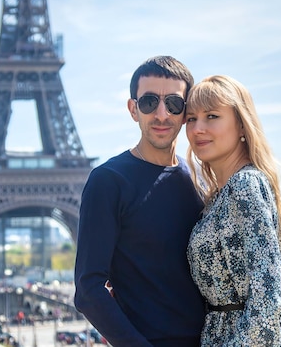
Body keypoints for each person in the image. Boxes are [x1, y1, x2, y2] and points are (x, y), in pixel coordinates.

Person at [74, 55, 206, 347]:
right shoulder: (108, 181)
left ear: (186, 112)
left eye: (173, 103)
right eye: (149, 102)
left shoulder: (202, 180)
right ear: (133, 109)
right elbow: (88, 288)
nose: (161, 114)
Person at [185, 75, 281, 346]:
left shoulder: (245, 185)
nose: (197, 128)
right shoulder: (220, 195)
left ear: (242, 124)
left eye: (212, 116)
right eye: (191, 118)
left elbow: (267, 300)